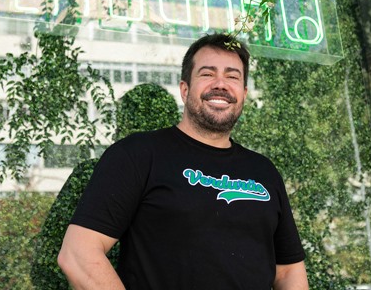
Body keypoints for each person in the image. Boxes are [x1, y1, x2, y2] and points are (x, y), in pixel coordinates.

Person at [57, 33, 308, 289]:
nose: (220, 84)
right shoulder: (139, 154)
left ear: (243, 94)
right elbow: (78, 254)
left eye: (232, 76)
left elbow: (288, 271)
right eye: (207, 74)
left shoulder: (264, 172)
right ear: (185, 89)